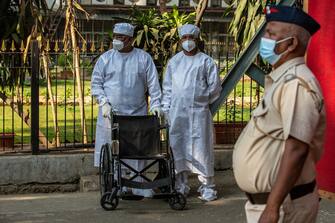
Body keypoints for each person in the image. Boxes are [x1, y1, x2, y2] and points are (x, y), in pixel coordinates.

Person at [233, 5, 325, 223]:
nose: (264, 38)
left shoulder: (297, 84)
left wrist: (272, 208)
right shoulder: (283, 79)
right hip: (274, 204)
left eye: (271, 34)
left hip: (283, 207)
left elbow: (297, 149)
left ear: (291, 43)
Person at [91, 22, 163, 197]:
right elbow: (96, 84)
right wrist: (104, 103)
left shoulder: (143, 58)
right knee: (114, 149)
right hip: (111, 114)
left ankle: (138, 183)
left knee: (137, 148)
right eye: (114, 36)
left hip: (137, 113)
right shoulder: (106, 59)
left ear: (130, 39)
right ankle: (119, 182)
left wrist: (156, 106)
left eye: (120, 37)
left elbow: (153, 86)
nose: (116, 40)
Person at [161, 24, 222, 202]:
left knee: (202, 148)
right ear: (180, 40)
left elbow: (215, 88)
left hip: (199, 113)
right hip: (177, 113)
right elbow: (168, 89)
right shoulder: (174, 62)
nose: (188, 41)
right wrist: (166, 108)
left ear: (197, 40)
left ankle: (207, 187)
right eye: (185, 38)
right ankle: (181, 185)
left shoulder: (206, 61)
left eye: (191, 38)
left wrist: (200, 100)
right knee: (178, 147)